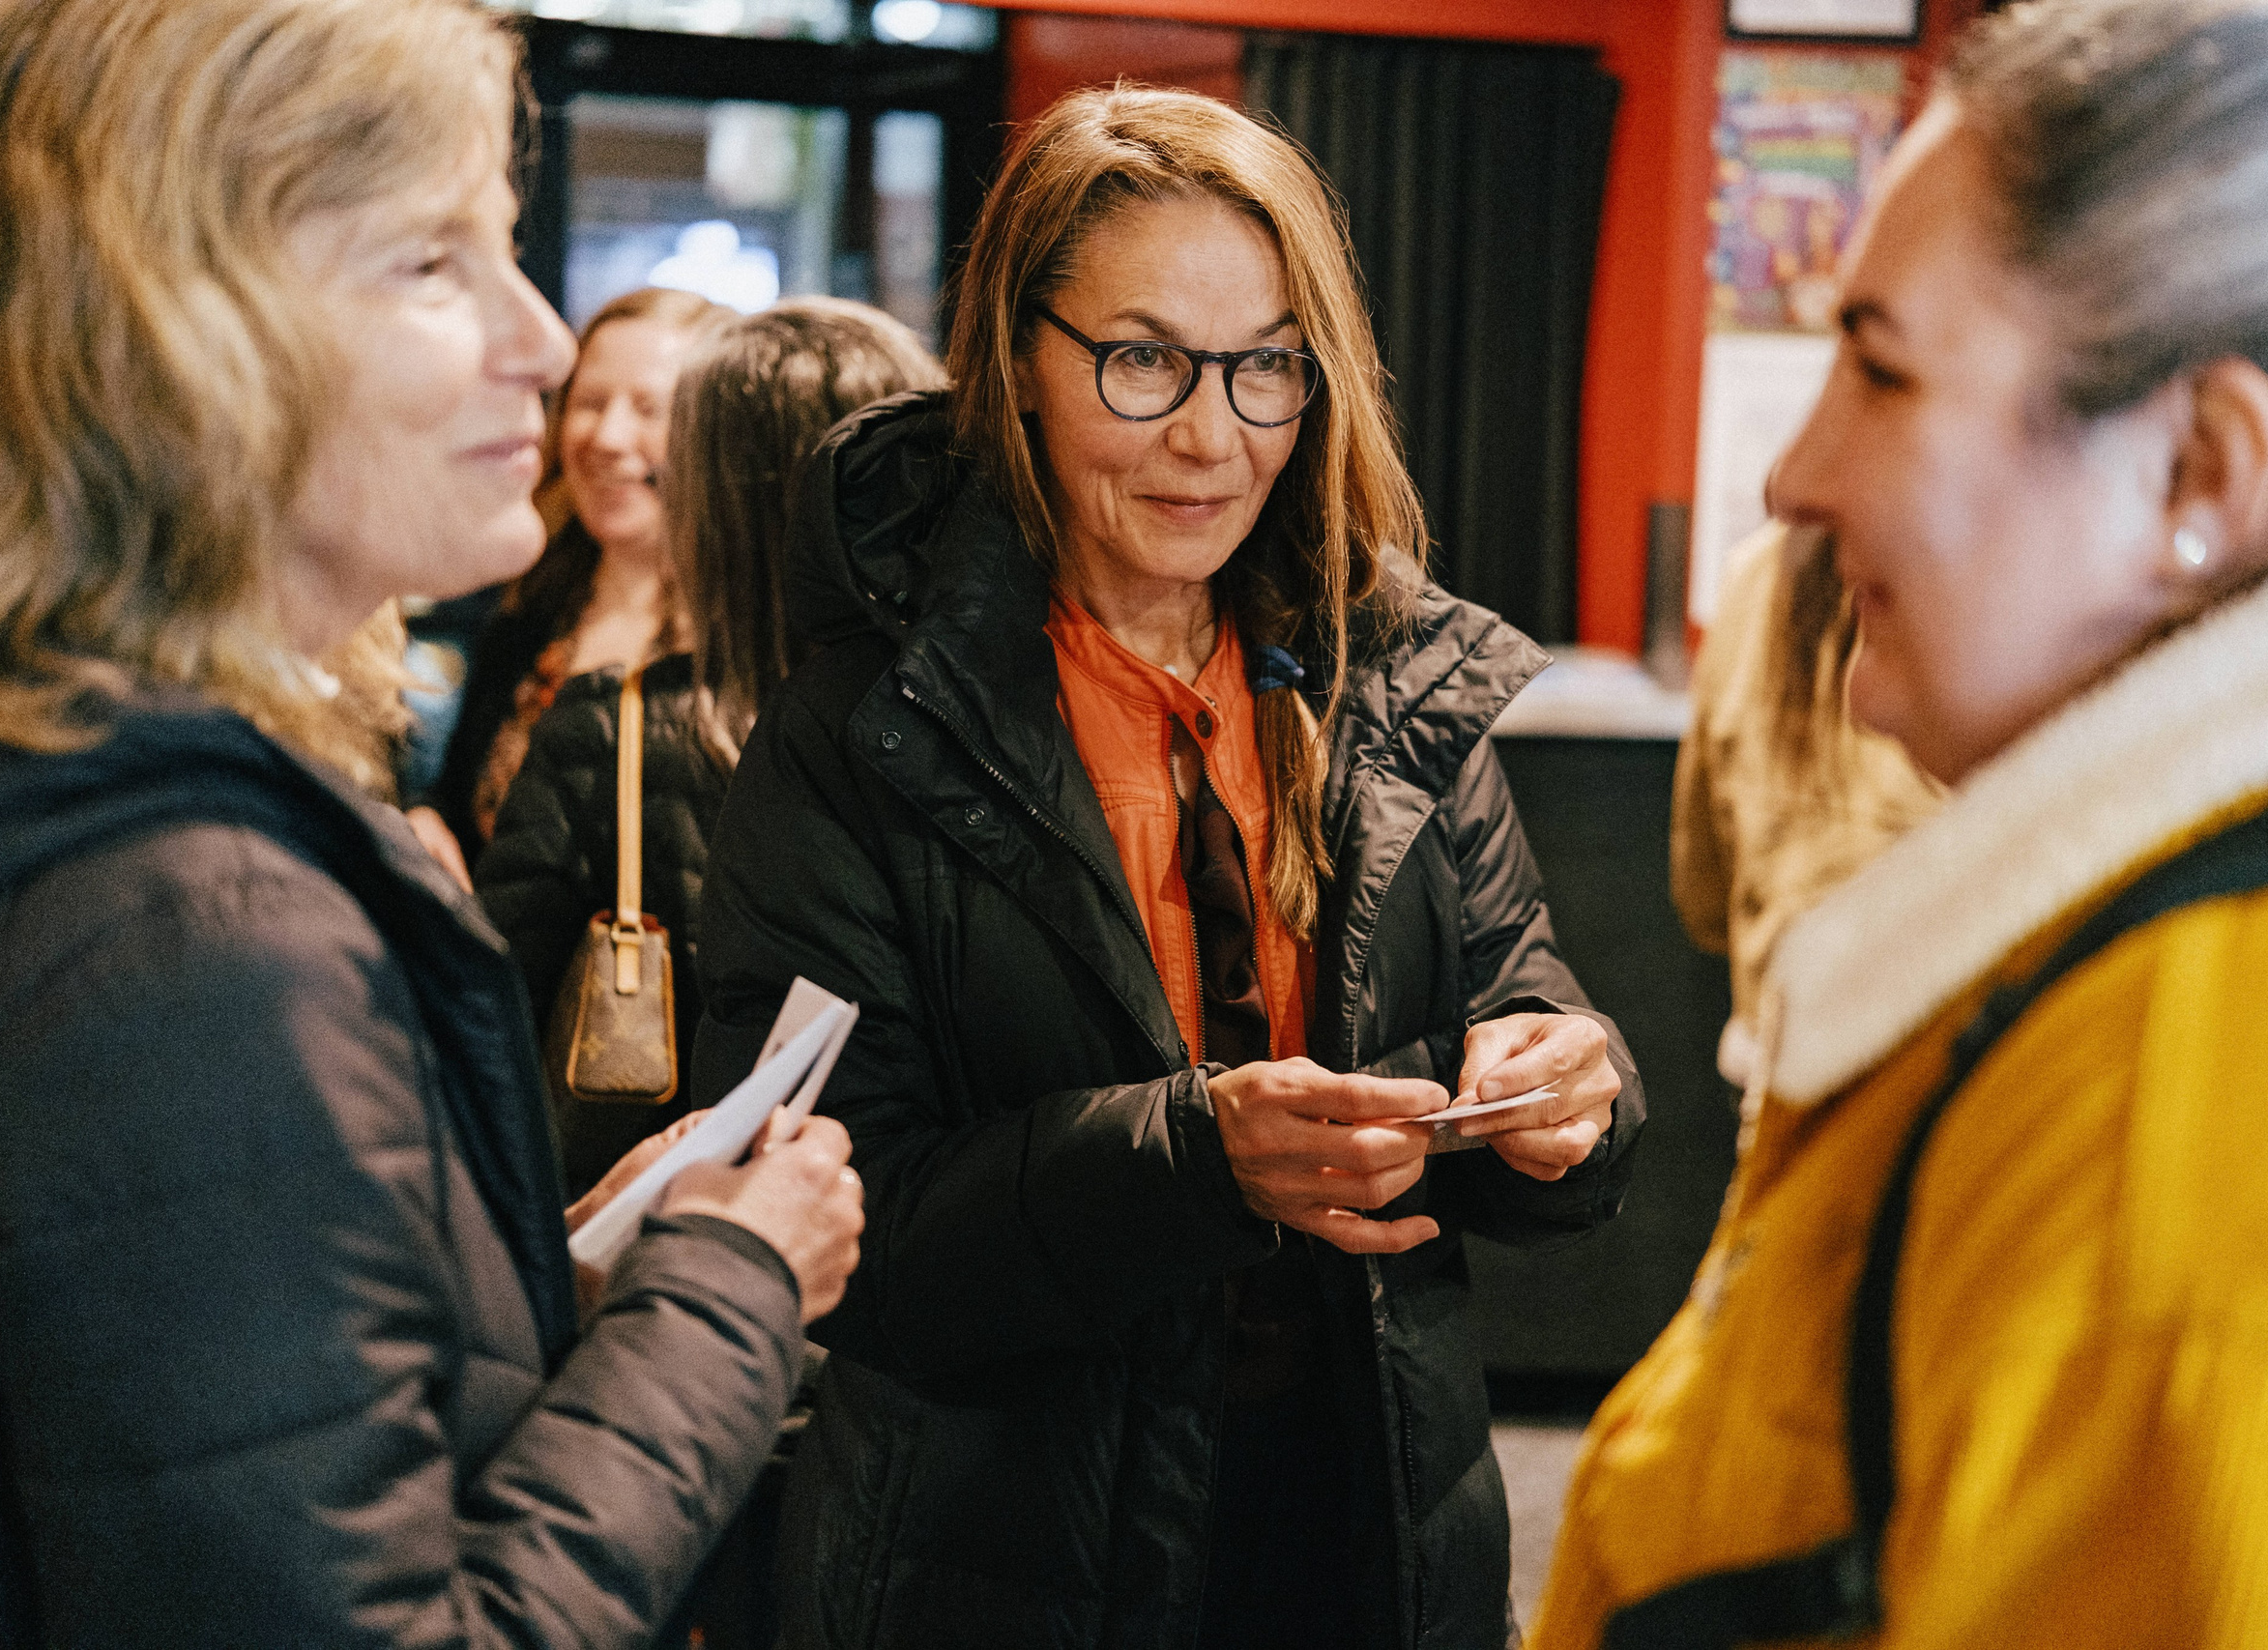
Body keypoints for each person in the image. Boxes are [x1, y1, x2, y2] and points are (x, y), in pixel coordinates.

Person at [1535, 0, 2268, 1644]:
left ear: (2197, 472)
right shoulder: (2174, 981)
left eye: (1881, 368)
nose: (1792, 478)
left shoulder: (2179, 1161)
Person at [693, 86, 1644, 1650]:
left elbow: (1531, 1018)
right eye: (1142, 362)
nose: (1213, 436)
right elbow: (832, 1226)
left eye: (1266, 364)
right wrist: (1192, 1160)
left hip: (1361, 1525)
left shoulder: (1385, 682)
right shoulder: (868, 730)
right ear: (1018, 357)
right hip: (997, 1565)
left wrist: (1567, 1095)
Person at [0, 2, 863, 1643]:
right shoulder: (194, 928)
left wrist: (571, 1278)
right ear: (183, 337)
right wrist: (726, 1295)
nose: (544, 341)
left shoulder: (126, 802)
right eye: (430, 262)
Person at [478, 297, 945, 1198]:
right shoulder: (996, 728)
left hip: (687, 1228)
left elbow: (479, 1038)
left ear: (713, 505)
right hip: (937, 1233)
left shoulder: (608, 729)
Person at [409, 285, 729, 880]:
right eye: (591, 402)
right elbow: (458, 796)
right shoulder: (530, 599)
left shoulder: (748, 636)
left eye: (650, 409)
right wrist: (425, 820)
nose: (607, 437)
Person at [1669, 520, 1940, 1087]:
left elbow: (1702, 891)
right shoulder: (1989, 580)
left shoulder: (1753, 573)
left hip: (1769, 1056)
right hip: (1931, 1069)